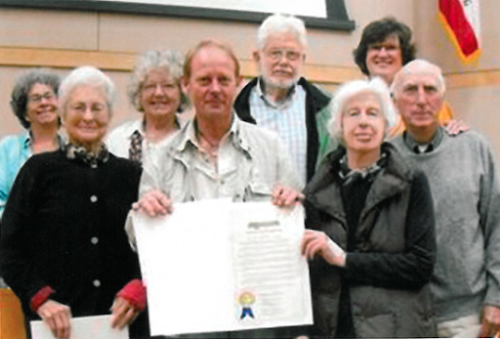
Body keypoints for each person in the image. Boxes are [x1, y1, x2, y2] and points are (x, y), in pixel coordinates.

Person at [131, 39, 302, 338]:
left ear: (238, 83)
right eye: (203, 80)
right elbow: (137, 240)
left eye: (223, 80)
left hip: (257, 315)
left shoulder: (271, 147)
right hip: (191, 315)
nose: (214, 88)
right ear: (186, 84)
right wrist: (143, 214)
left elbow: (296, 233)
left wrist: (294, 205)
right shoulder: (160, 156)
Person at [0, 66, 148, 339]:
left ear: (110, 114)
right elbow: (8, 248)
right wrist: (39, 298)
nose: (88, 116)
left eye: (97, 107)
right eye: (79, 107)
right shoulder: (38, 171)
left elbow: (154, 247)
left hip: (123, 327)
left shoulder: (133, 175)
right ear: (63, 114)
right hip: (55, 329)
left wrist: (139, 286)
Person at [301, 77, 436, 337]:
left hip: (396, 329)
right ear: (339, 123)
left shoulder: (411, 181)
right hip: (333, 328)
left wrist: (345, 259)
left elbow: (421, 265)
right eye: (353, 113)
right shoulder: (317, 189)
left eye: (373, 113)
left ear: (386, 124)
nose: (363, 121)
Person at [390, 59, 500, 338]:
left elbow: (497, 225)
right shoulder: (384, 157)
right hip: (404, 314)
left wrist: (496, 297)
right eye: (411, 90)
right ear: (395, 101)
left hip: (468, 315)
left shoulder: (473, 148)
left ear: (442, 98)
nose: (421, 100)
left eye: (430, 89)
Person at [234, 13, 334, 187]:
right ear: (257, 57)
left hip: (305, 211)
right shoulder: (235, 107)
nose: (283, 62)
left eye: (292, 55)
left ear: (303, 59)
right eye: (275, 53)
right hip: (251, 211)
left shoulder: (326, 108)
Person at [353, 17, 459, 136]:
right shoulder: (350, 100)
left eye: (390, 48)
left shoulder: (431, 103)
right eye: (376, 48)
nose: (382, 54)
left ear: (404, 55)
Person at [0, 68, 64, 218]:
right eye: (36, 98)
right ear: (25, 113)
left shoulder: (73, 151)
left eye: (49, 96)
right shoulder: (8, 149)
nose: (44, 103)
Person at [107, 49, 188, 164]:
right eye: (150, 86)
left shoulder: (194, 140)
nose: (159, 93)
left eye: (168, 86)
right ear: (138, 94)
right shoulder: (118, 140)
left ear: (182, 92)